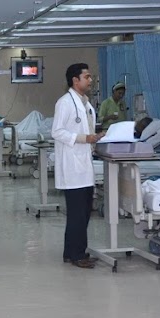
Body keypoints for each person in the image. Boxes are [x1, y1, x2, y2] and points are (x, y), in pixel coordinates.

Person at [52, 63, 99, 268]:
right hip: (72, 166)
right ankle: (77, 255)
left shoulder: (85, 103)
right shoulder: (65, 103)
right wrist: (84, 138)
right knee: (77, 214)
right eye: (87, 77)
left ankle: (72, 252)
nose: (90, 80)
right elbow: (57, 131)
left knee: (83, 212)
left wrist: (96, 137)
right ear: (75, 80)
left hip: (83, 164)